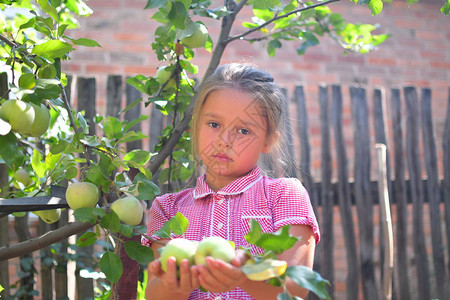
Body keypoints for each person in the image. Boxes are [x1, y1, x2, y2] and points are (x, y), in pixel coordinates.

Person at [142, 63, 320, 300]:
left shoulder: (284, 196)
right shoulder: (168, 209)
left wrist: (243, 276)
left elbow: (295, 286)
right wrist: (175, 285)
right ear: (195, 128)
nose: (224, 140)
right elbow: (155, 294)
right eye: (214, 124)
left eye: (243, 131)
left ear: (268, 141)